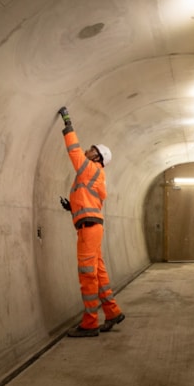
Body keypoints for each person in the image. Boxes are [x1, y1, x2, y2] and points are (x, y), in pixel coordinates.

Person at [57, 106, 124, 337]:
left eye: (92, 149)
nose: (87, 150)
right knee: (99, 272)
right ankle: (113, 311)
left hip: (89, 229)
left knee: (87, 274)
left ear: (97, 157)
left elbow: (74, 151)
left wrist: (68, 125)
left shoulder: (90, 169)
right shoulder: (95, 174)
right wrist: (71, 207)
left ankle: (90, 323)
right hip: (93, 226)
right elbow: (88, 202)